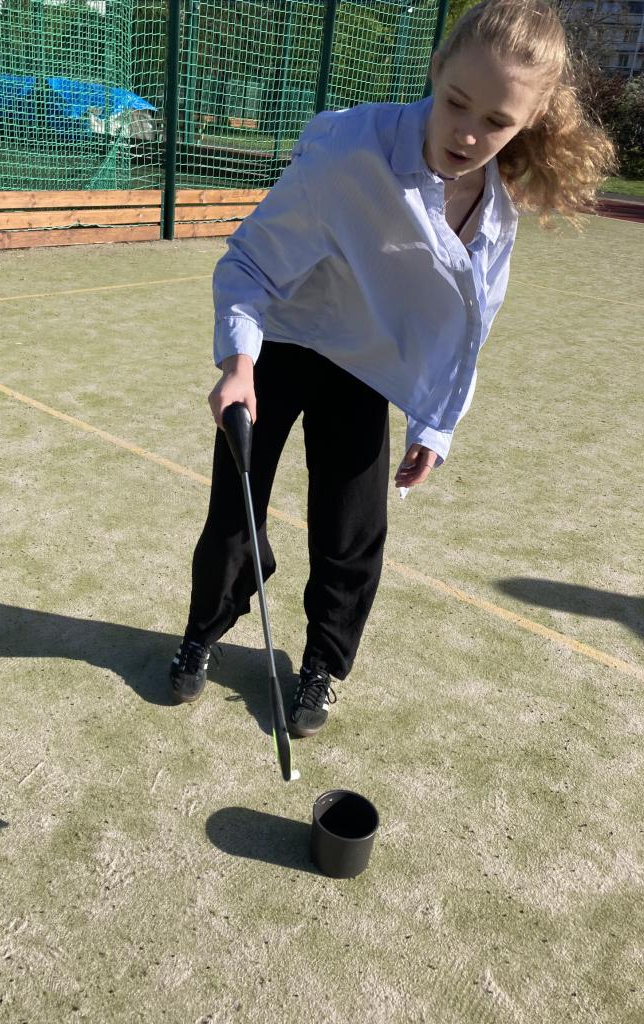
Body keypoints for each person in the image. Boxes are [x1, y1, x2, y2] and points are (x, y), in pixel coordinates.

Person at [169, 0, 615, 735]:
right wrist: (238, 362)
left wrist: (435, 426)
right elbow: (249, 262)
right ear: (436, 71)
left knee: (352, 531)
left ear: (531, 119)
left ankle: (322, 664)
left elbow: (470, 328)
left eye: (496, 121)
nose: (467, 134)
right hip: (281, 340)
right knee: (235, 510)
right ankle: (203, 632)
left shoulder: (495, 212)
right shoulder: (350, 149)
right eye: (456, 102)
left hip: (363, 361)